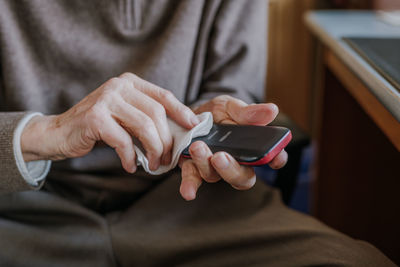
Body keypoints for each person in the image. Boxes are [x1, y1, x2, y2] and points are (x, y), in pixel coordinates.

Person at [0, 0, 394, 266]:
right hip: (23, 209)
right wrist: (43, 133)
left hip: (195, 206)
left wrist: (211, 120)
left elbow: (232, 91)